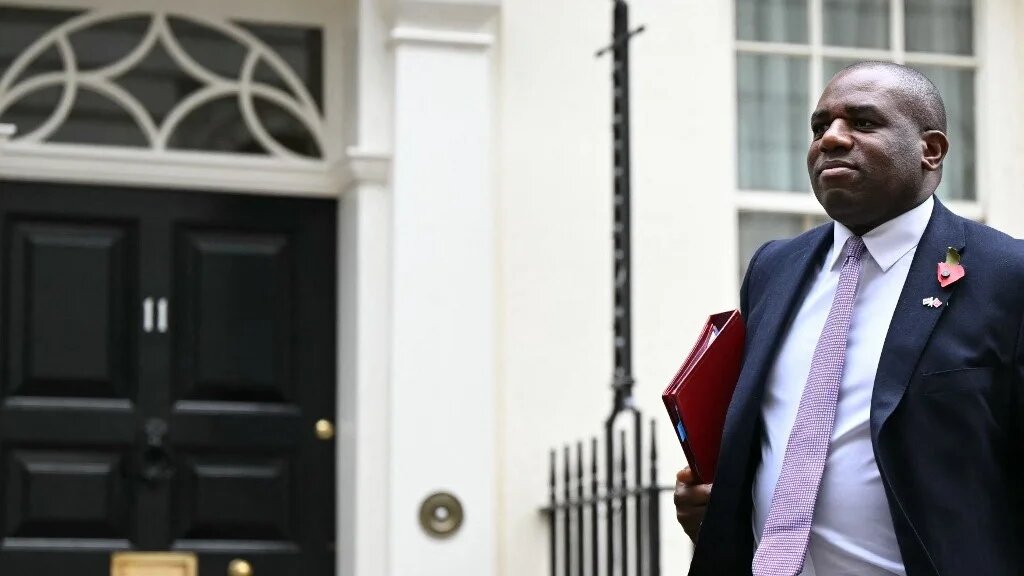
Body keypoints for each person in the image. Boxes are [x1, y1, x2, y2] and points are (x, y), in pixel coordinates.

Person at [675, 61, 1024, 576]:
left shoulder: (1005, 274)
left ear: (931, 150)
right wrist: (721, 503)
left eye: (862, 123)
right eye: (820, 127)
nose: (831, 140)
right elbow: (762, 434)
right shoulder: (774, 267)